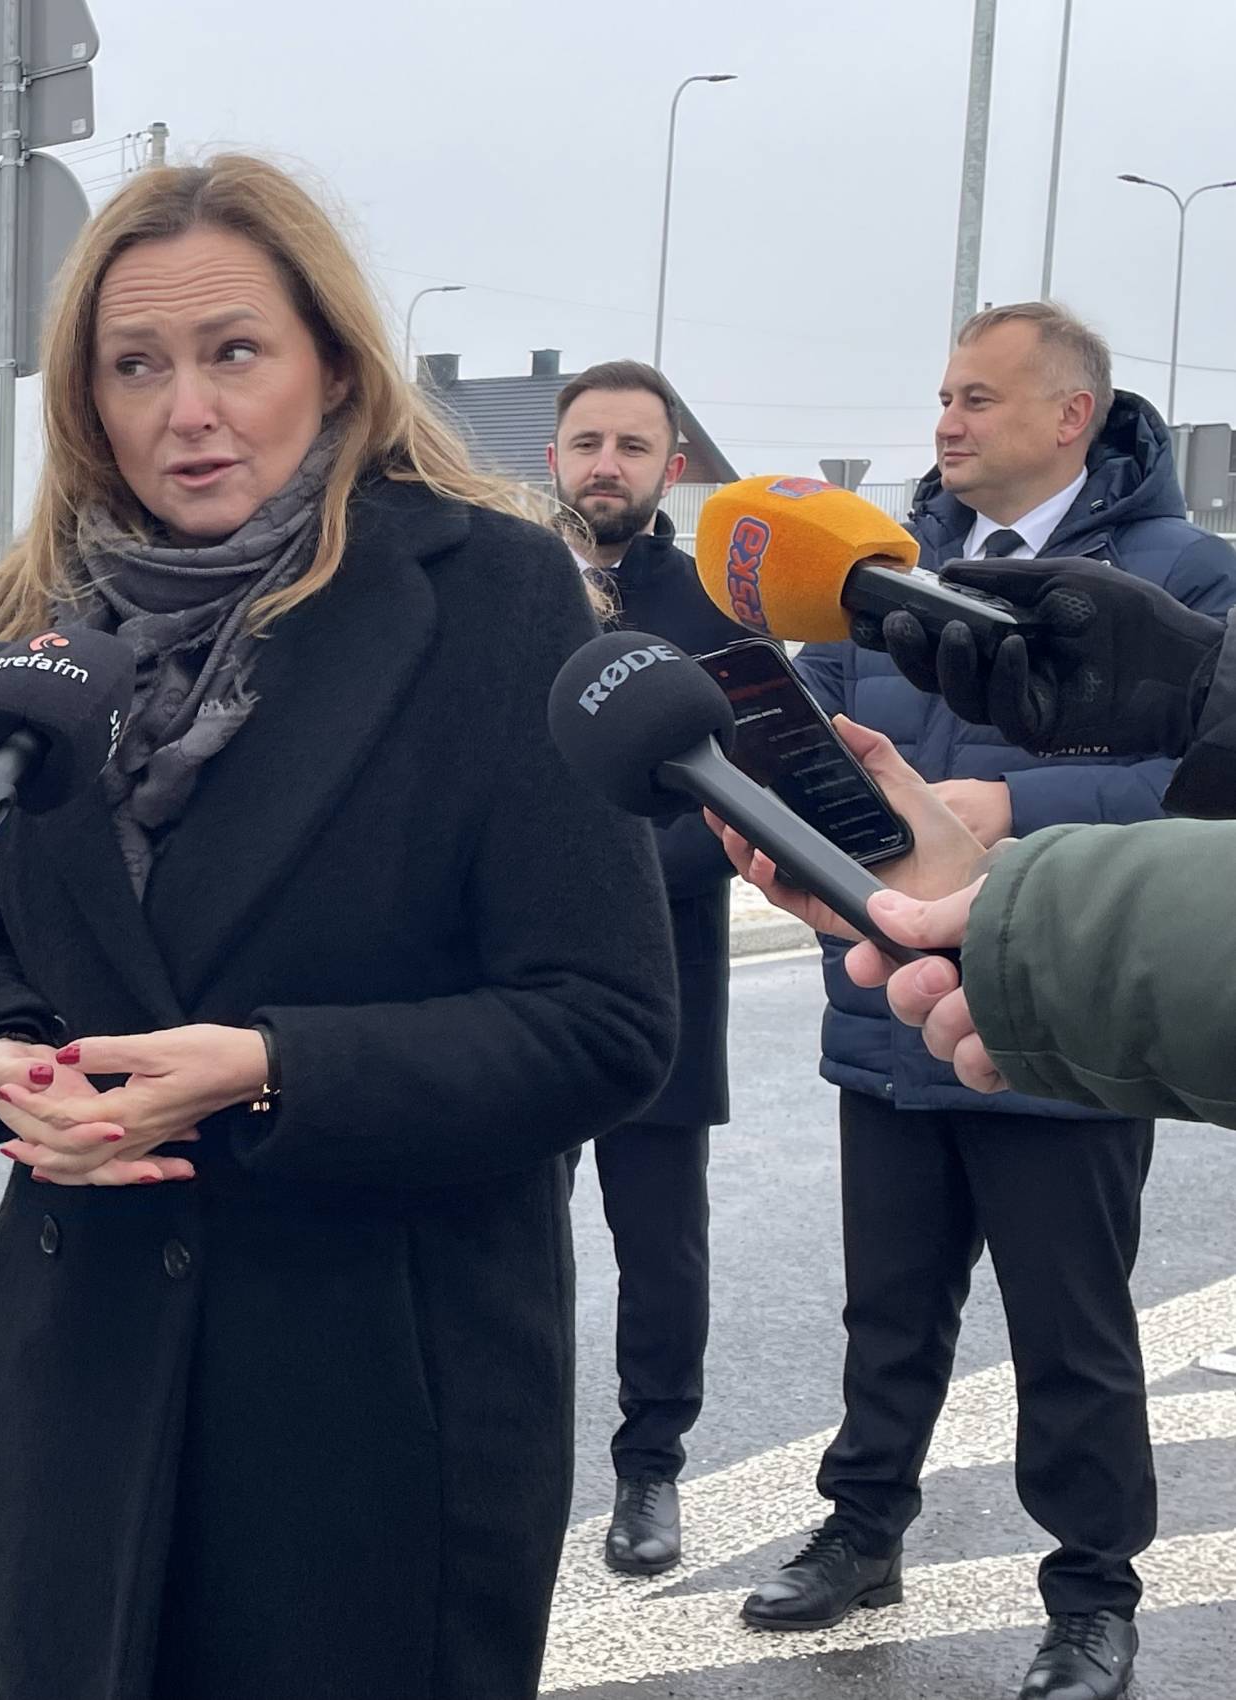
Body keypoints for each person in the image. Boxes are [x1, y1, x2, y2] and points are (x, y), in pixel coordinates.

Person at [0, 156, 679, 1700]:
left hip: (373, 1406)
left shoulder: (490, 598)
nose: (185, 411)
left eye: (233, 352)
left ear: (331, 361)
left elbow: (603, 1023)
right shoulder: (34, 618)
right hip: (80, 1383)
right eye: (136, 366)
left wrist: (268, 1068)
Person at [747, 301, 1236, 1700]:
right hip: (885, 999)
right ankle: (860, 1530)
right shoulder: (878, 571)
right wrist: (779, 787)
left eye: (977, 397)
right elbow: (822, 725)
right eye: (943, 395)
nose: (945, 421)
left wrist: (1013, 804)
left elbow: (1199, 788)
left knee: (1070, 1331)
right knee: (887, 1313)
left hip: (1065, 1011)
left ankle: (1091, 1593)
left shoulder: (1181, 581)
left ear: (1071, 415)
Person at [548, 359, 752, 1576]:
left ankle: (650, 1466)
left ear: (670, 467)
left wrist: (606, 877)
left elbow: (741, 803)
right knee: (507, 1229)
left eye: (630, 445)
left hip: (665, 970)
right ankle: (507, 1450)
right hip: (519, 974)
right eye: (586, 442)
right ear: (554, 457)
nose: (605, 465)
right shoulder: (513, 593)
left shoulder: (713, 611)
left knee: (658, 1240)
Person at [711, 727, 1236, 1129]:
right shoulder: (849, 620)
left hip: (1065, 1057)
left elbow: (1201, 769)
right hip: (888, 1037)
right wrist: (964, 886)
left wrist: (1018, 804)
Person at [875, 549, 1236, 818]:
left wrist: (1020, 804)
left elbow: (1179, 800)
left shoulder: (1195, 560)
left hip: (1069, 886)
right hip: (886, 879)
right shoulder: (895, 553)